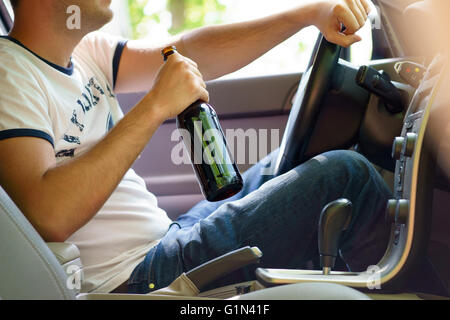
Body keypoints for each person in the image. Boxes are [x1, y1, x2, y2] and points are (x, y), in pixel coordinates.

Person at [0, 0, 391, 294]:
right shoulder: (8, 74)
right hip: (136, 279)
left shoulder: (86, 51)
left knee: (300, 160)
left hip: (168, 239)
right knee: (344, 175)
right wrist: (155, 105)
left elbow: (186, 49)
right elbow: (48, 213)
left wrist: (304, 16)